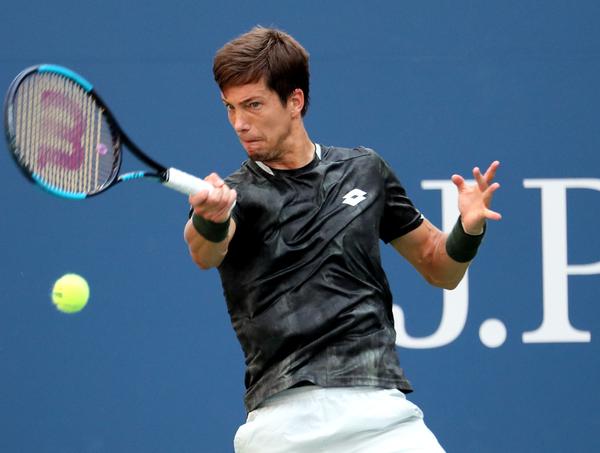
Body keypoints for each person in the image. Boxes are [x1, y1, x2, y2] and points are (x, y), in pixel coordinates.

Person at [184, 26, 501, 453]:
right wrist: (210, 219)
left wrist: (469, 229)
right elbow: (205, 252)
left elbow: (438, 265)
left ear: (294, 101)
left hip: (385, 421)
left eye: (253, 105)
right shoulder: (236, 196)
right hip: (285, 428)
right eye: (230, 108)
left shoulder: (365, 170)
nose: (240, 123)